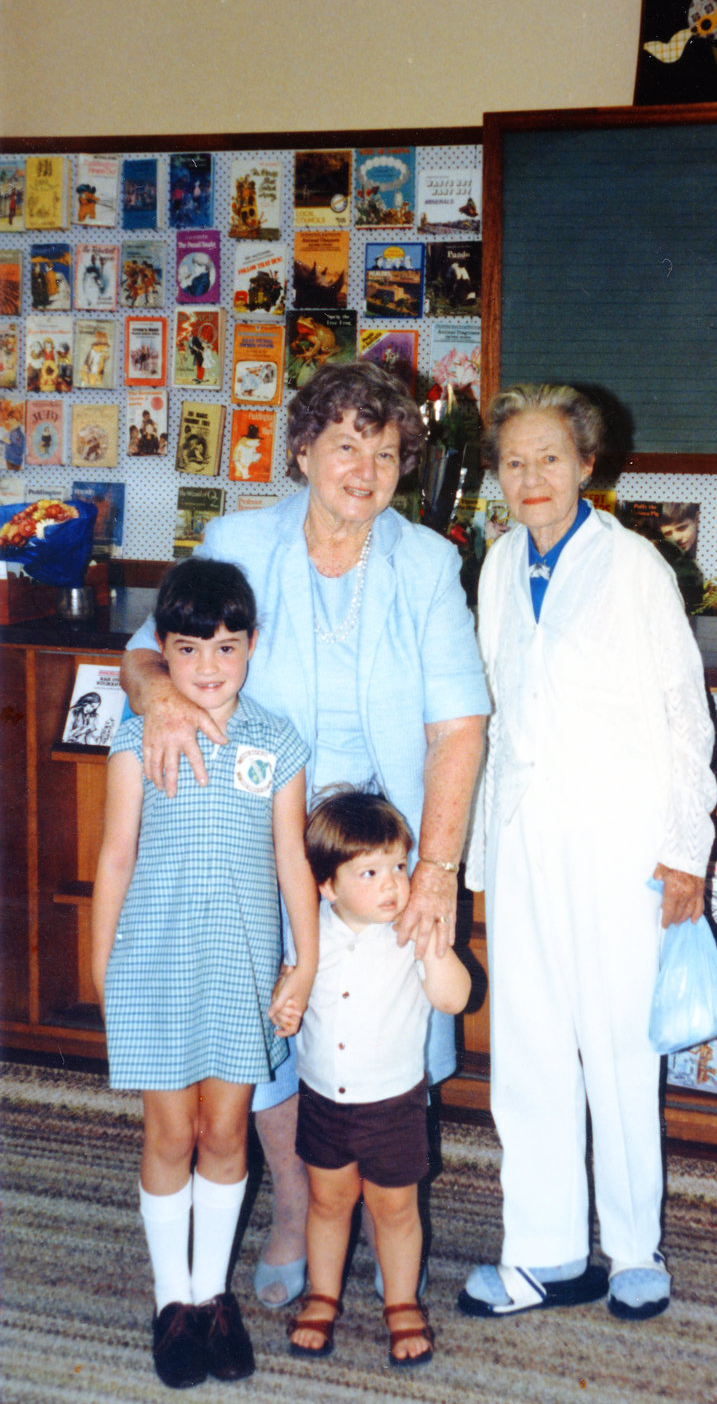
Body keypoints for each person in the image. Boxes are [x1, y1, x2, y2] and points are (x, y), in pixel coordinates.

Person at [120, 359, 489, 1311]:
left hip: (384, 849)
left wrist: (439, 867)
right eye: (344, 446)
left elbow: (457, 724)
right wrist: (157, 690)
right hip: (262, 835)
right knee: (270, 1022)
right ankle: (294, 1205)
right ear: (303, 452)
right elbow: (151, 641)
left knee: (386, 1017)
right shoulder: (243, 538)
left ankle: (381, 1205)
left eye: (385, 451)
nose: (363, 469)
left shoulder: (426, 562)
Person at [460, 384, 717, 1322]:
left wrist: (685, 847)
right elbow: (488, 714)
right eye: (514, 462)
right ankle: (545, 1251)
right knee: (528, 1051)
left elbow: (686, 718)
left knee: (616, 1049)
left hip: (619, 842)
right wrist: (478, 853)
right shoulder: (492, 565)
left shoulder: (635, 566)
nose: (532, 478)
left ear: (587, 466)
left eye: (550, 459)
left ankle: (635, 1247)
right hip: (524, 837)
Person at [91, 559, 320, 1390]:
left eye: (227, 646)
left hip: (241, 965)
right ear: (162, 649)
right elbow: (115, 857)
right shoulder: (138, 733)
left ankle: (211, 1293)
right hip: (154, 962)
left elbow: (294, 862)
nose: (210, 666)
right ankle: (170, 1301)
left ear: (253, 644)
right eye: (189, 649)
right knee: (169, 1132)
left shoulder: (276, 741)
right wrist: (100, 969)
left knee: (225, 1133)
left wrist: (303, 963)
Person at [278, 788, 471, 1367]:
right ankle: (322, 1294)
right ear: (327, 885)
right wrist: (284, 1006)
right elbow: (292, 991)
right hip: (323, 1100)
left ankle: (403, 1302)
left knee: (395, 1208)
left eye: (399, 867)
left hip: (393, 1106)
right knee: (328, 1203)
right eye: (370, 872)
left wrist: (435, 948)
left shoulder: (409, 932)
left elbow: (456, 998)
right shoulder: (308, 933)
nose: (393, 884)